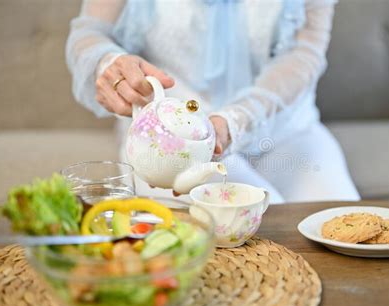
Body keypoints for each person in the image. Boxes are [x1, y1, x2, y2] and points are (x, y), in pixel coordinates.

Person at [66, 0, 360, 204]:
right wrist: (108, 63)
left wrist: (237, 120)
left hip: (283, 131)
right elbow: (89, 32)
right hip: (172, 142)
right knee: (264, 234)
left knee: (341, 228)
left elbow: (304, 54)